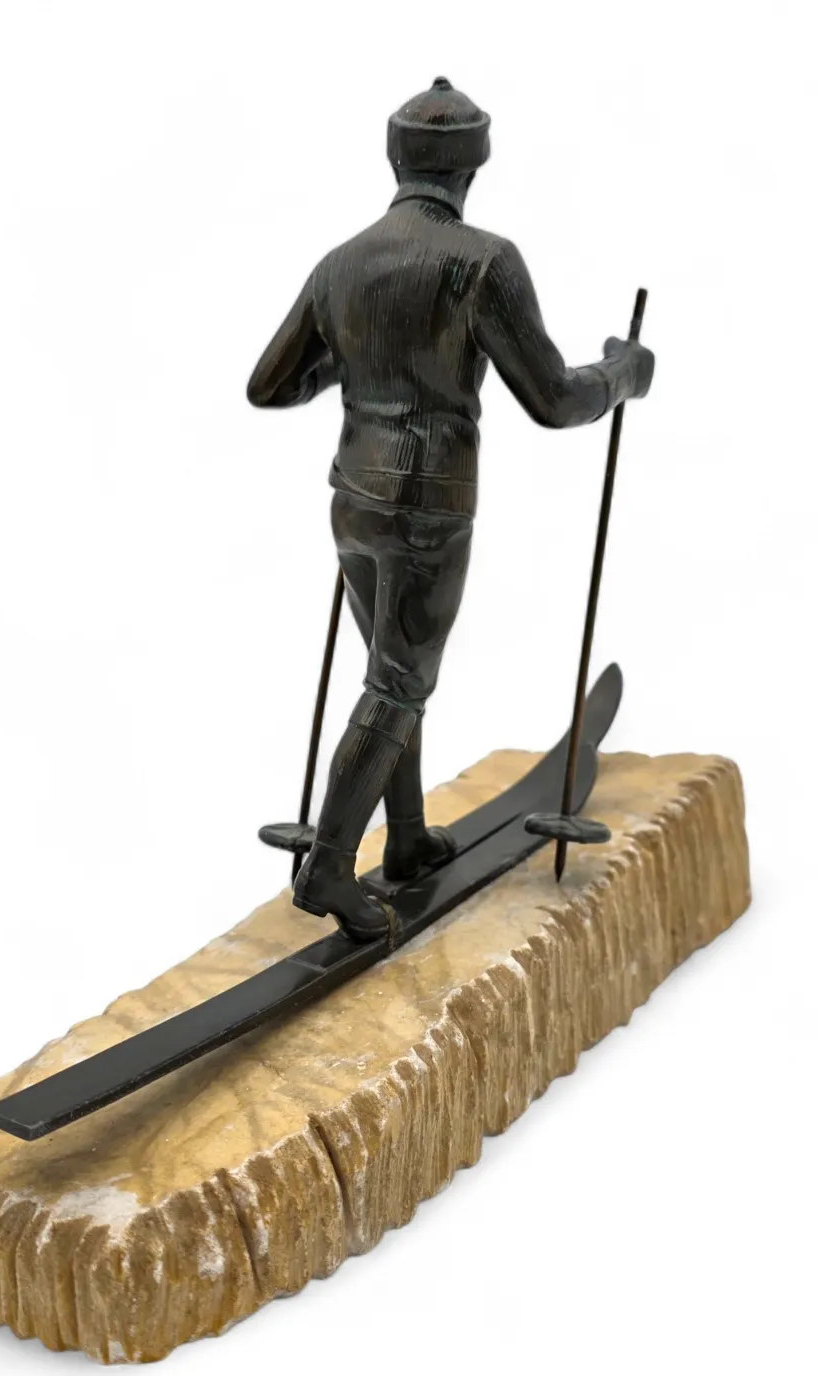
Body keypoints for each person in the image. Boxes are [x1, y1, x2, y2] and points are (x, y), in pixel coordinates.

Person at [248, 78, 655, 941]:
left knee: (389, 674)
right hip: (428, 506)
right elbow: (553, 399)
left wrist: (360, 360)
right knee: (399, 682)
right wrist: (623, 374)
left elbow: (271, 384)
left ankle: (405, 840)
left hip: (352, 499)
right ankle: (330, 868)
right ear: (475, 164)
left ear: (394, 158)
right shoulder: (483, 262)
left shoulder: (340, 263)